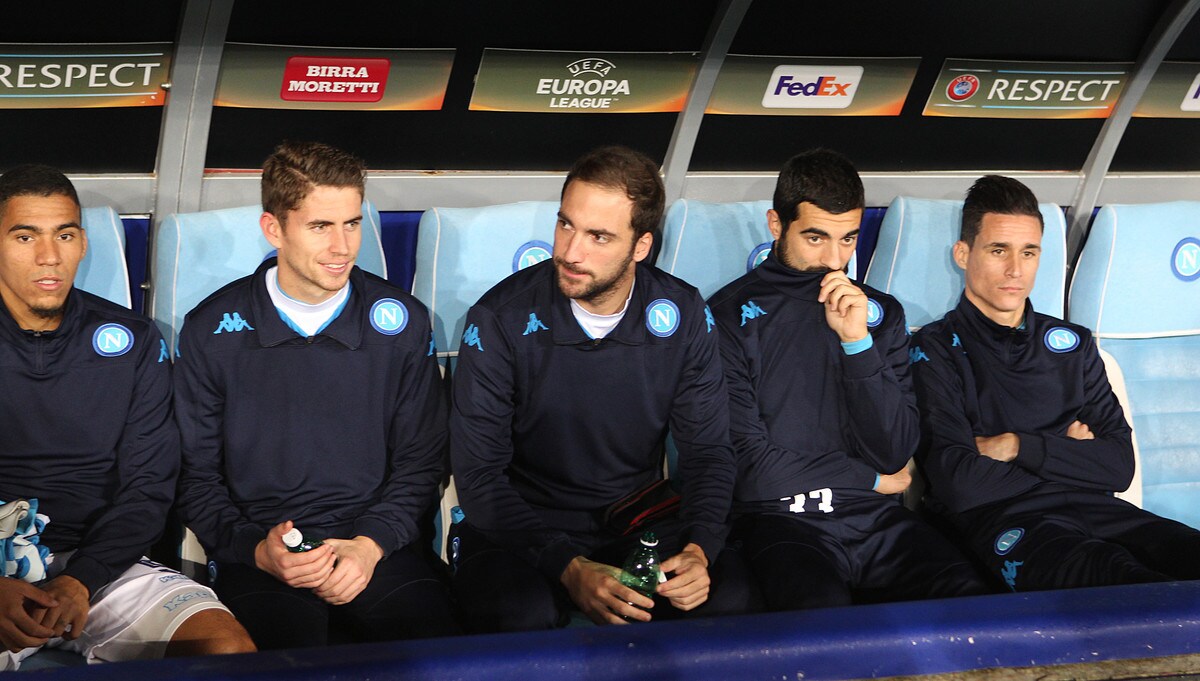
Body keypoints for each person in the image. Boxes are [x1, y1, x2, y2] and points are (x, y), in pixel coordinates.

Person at [450, 145, 752, 631]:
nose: (571, 252)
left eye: (599, 236)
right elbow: (479, 476)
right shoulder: (498, 318)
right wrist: (568, 567)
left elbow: (709, 452)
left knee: (728, 596)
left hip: (634, 519)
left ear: (641, 246)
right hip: (520, 523)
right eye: (565, 224)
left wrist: (700, 548)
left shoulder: (683, 314)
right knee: (521, 614)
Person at [174, 141, 458, 649]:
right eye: (320, 226)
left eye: (352, 224)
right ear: (273, 229)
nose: (342, 247)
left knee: (436, 654)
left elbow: (422, 462)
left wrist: (370, 545)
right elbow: (195, 476)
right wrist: (256, 550)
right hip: (261, 555)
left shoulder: (403, 323)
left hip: (378, 548)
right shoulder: (211, 330)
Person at [708, 149, 989, 610]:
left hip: (875, 521)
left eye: (848, 239)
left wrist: (857, 344)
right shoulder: (726, 317)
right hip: (780, 520)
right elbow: (750, 470)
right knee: (822, 612)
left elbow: (895, 450)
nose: (834, 259)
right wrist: (869, 478)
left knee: (969, 600)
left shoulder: (879, 314)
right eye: (815, 238)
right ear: (776, 225)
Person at [0, 164, 254, 670]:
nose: (49, 256)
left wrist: (82, 578)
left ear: (82, 244)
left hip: (98, 565)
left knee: (225, 651)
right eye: (25, 237)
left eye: (64, 235)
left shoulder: (132, 340)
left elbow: (149, 485)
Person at [910, 174, 1200, 591]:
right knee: (1115, 575)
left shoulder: (1072, 345)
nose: (1015, 269)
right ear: (963, 253)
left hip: (1099, 511)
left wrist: (1016, 446)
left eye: (1028, 252)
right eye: (998, 250)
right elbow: (959, 483)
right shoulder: (935, 348)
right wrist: (1070, 457)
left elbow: (1119, 467)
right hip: (1007, 521)